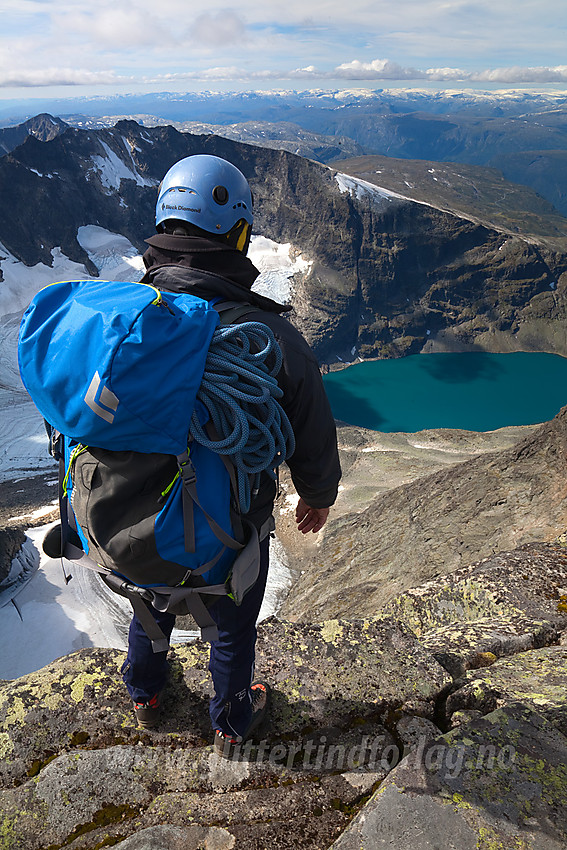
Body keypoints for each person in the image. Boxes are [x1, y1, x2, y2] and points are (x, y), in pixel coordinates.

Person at [121, 154, 341, 754]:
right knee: (232, 622)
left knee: (149, 603)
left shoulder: (122, 318)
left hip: (131, 516)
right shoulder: (263, 334)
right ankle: (230, 718)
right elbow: (312, 423)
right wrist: (318, 494)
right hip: (227, 526)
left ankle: (144, 692)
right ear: (239, 234)